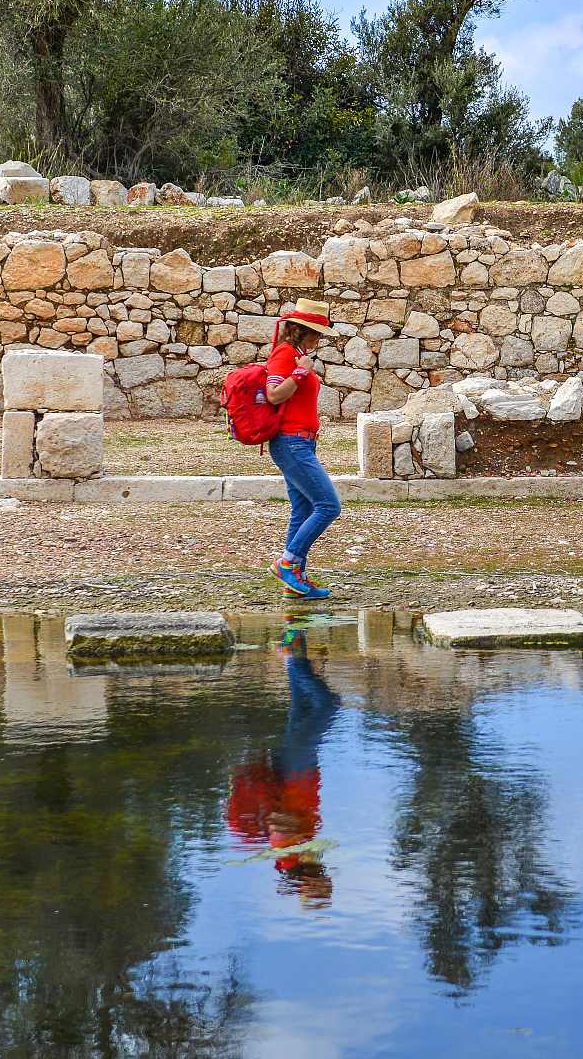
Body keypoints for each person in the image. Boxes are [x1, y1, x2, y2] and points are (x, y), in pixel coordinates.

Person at [224, 626, 342, 906]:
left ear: (308, 885)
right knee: (302, 706)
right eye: (328, 885)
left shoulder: (286, 856)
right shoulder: (300, 856)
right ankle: (295, 629)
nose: (328, 881)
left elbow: (278, 817)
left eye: (323, 887)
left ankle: (289, 650)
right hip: (303, 771)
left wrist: (303, 842)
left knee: (329, 705)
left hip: (293, 771)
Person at [265, 299, 341, 599]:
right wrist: (299, 373)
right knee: (328, 506)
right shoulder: (285, 353)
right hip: (291, 443)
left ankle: (295, 582)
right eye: (317, 333)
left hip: (301, 442)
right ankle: (287, 563)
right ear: (302, 330)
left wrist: (302, 368)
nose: (319, 338)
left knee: (304, 508)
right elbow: (273, 395)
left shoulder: (297, 355)